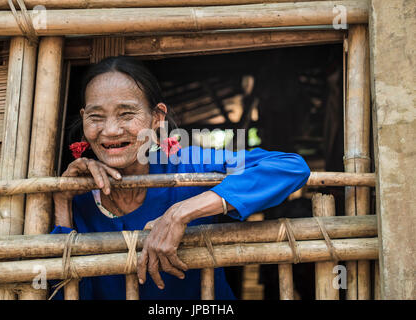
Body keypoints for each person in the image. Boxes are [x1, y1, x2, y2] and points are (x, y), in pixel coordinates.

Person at [51, 56, 311, 300]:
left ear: (157, 118)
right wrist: (62, 200)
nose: (110, 130)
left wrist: (182, 212)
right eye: (96, 117)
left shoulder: (186, 165)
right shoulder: (79, 196)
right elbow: (64, 292)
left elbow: (290, 168)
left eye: (126, 114)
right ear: (84, 119)